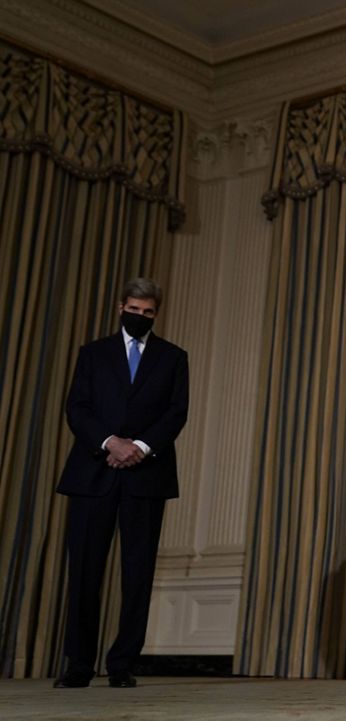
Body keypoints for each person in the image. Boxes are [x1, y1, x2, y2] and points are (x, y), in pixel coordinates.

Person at [53, 278, 190, 689]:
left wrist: (140, 447)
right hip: (93, 473)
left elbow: (176, 412)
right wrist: (110, 442)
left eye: (148, 312)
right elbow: (77, 408)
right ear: (120, 306)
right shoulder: (92, 354)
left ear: (156, 314)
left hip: (145, 476)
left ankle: (122, 665)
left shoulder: (173, 357)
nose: (140, 317)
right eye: (134, 309)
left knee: (137, 573)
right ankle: (79, 664)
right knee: (84, 574)